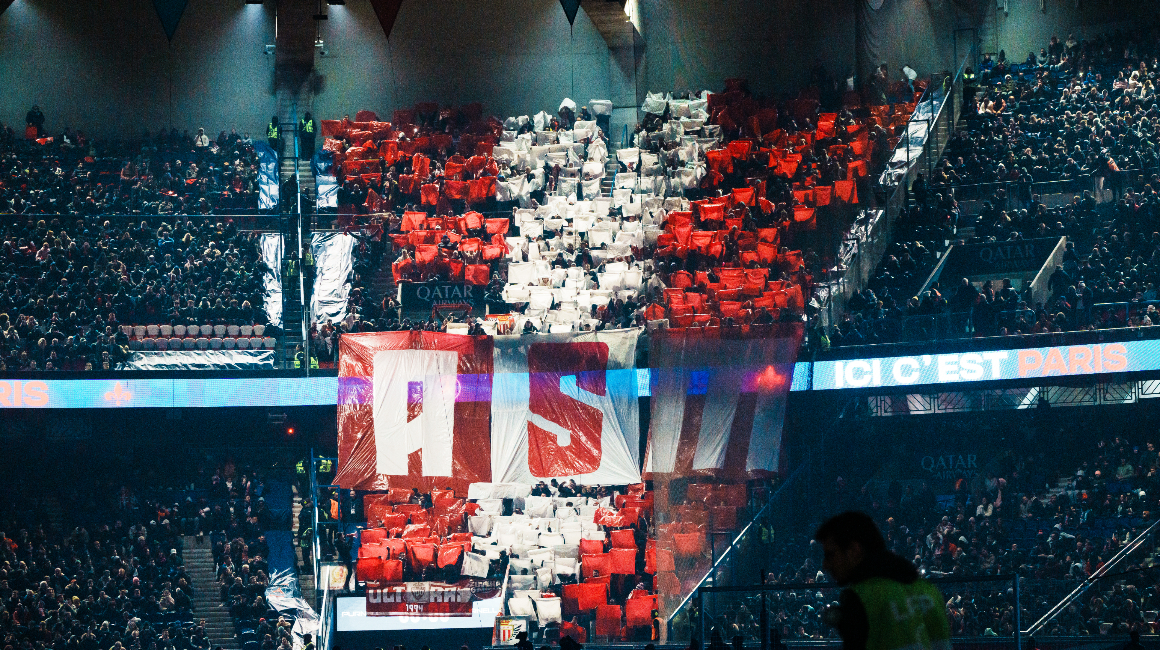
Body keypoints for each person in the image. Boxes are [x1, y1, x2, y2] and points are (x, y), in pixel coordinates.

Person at [816, 511, 950, 650]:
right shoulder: (929, 591)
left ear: (854, 550)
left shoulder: (861, 599)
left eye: (830, 554)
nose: (825, 564)